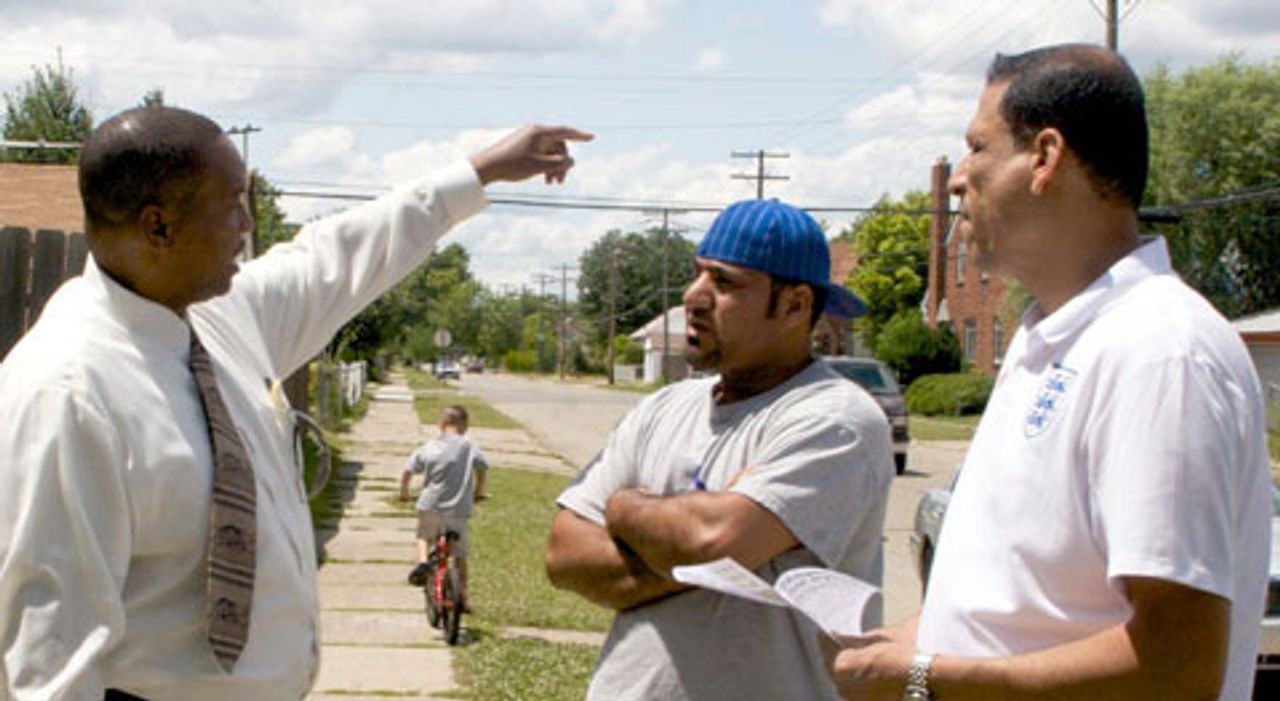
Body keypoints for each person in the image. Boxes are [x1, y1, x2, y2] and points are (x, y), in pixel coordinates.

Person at [0, 104, 589, 700]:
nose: (249, 224)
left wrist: (480, 170)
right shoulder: (68, 395)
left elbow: (337, 257)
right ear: (158, 228)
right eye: (232, 203)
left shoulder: (214, 317)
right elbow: (51, 656)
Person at [828, 44, 1271, 701]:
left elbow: (1177, 665)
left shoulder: (1159, 351)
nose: (958, 179)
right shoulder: (1047, 341)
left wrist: (926, 676)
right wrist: (912, 640)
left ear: (1044, 157)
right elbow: (1026, 602)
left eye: (977, 148)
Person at [545, 197, 895, 701]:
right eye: (697, 274)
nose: (693, 296)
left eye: (725, 282)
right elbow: (565, 555)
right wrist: (711, 558)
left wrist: (625, 508)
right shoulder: (661, 408)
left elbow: (714, 540)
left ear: (795, 305)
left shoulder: (836, 418)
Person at [400, 404, 489, 608]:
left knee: (423, 536)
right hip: (458, 509)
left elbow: (408, 470)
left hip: (430, 505)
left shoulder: (429, 446)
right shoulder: (469, 446)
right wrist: (478, 491)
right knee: (460, 556)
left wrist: (404, 491)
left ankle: (422, 561)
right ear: (464, 425)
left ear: (441, 424)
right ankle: (464, 598)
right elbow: (482, 467)